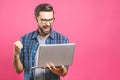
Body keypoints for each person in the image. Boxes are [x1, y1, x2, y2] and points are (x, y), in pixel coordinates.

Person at [13, 3, 69, 80]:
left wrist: (54, 70)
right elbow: (18, 70)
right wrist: (16, 54)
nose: (48, 24)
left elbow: (64, 73)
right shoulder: (25, 39)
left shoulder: (62, 39)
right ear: (36, 19)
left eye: (50, 19)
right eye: (44, 20)